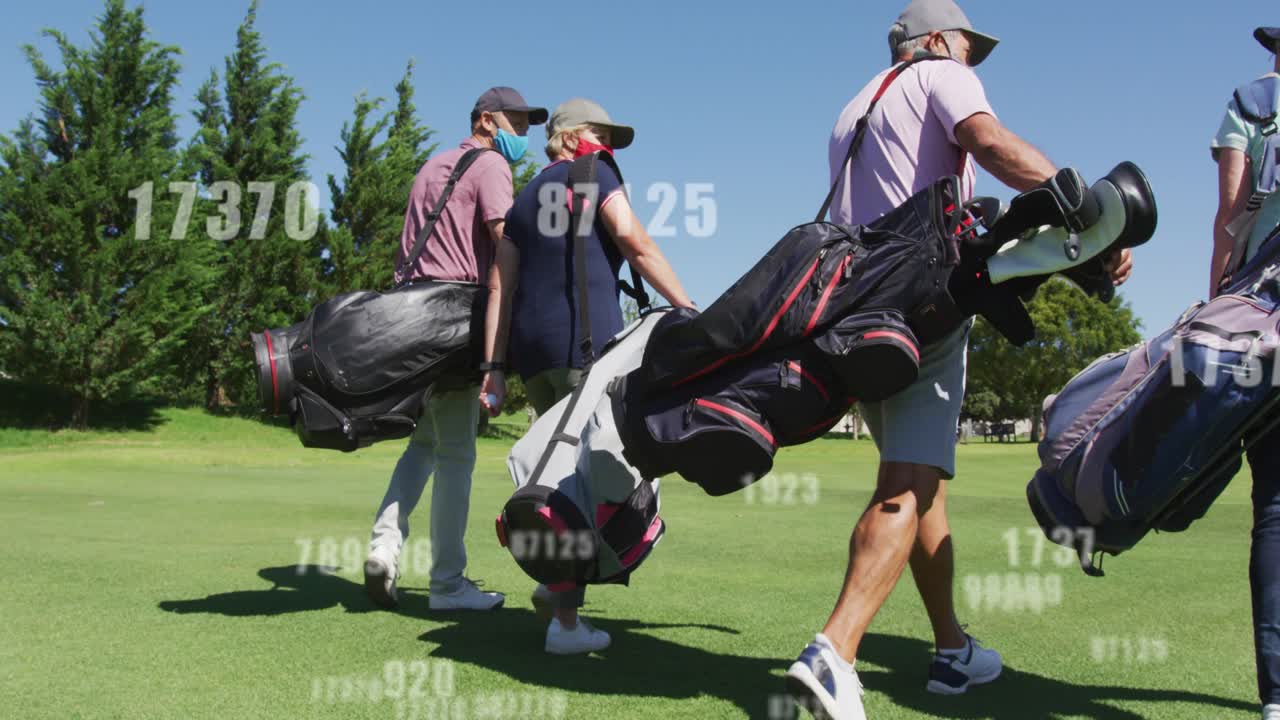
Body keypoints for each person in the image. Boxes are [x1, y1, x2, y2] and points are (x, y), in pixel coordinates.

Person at [785, 2, 1133, 718]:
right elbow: (991, 142)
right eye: (967, 48)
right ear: (936, 42)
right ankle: (834, 650)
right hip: (922, 306)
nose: (970, 62)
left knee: (925, 487)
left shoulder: (853, 106)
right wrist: (1087, 214)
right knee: (907, 486)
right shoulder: (941, 74)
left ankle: (951, 651)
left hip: (856, 309)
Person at [499, 98, 694, 653]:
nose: (607, 145)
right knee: (594, 475)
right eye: (599, 133)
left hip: (532, 352)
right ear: (573, 136)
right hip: (588, 344)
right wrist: (687, 307)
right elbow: (634, 241)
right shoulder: (596, 174)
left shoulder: (524, 196)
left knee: (558, 470)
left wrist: (494, 366)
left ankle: (553, 583)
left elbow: (502, 288)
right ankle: (564, 622)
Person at [363, 87, 548, 612]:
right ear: (487, 120)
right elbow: (505, 241)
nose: (523, 134)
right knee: (457, 455)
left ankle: (384, 544)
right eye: (516, 122)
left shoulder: (433, 164)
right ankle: (447, 583)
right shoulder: (490, 165)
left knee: (423, 444)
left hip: (409, 318)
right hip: (452, 319)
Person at [1210, 26, 1280, 720]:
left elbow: (1230, 222)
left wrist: (1212, 312)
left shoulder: (1253, 103)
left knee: (1277, 507)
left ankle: (1278, 698)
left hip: (1262, 319)